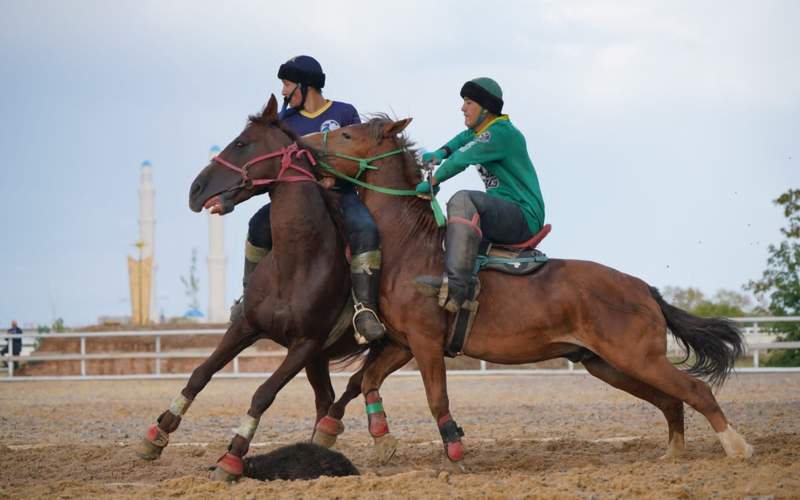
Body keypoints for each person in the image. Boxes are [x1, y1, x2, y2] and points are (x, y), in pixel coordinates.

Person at [234, 55, 386, 344]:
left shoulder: (344, 112)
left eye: (287, 84)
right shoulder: (284, 122)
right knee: (257, 225)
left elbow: (360, 155)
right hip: (298, 204)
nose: (282, 91)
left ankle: (365, 309)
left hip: (341, 196)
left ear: (306, 86)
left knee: (366, 229)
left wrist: (334, 180)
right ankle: (247, 300)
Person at [415, 77, 545, 313]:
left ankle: (456, 287)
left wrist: (433, 181)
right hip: (503, 211)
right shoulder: (482, 130)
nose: (462, 108)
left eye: (468, 102)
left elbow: (462, 157)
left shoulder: (500, 133)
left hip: (522, 216)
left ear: (486, 108)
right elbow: (460, 141)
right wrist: (439, 153)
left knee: (463, 200)